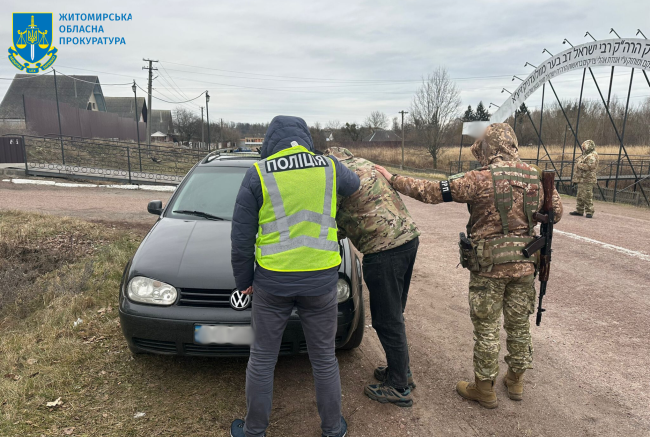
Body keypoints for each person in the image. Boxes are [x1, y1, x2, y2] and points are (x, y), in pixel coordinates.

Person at [375, 123, 563, 409]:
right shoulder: (536, 175)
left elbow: (431, 191)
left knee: (487, 327)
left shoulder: (479, 177)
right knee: (519, 325)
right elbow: (556, 213)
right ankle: (515, 381)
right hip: (525, 265)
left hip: (488, 267)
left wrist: (392, 177)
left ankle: (484, 389)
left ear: (488, 148)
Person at [230, 116, 360, 437]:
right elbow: (354, 185)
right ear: (306, 138)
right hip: (321, 282)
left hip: (272, 283)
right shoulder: (328, 166)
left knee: (262, 359)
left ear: (269, 141)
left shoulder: (257, 174)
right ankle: (332, 429)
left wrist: (243, 280)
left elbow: (241, 239)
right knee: (324, 359)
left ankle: (254, 431)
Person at [325, 146, 420, 407]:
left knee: (386, 320)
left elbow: (330, 223)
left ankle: (399, 386)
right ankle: (401, 371)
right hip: (408, 240)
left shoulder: (335, 178)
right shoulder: (366, 165)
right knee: (394, 315)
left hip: (384, 250)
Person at [570, 139, 599, 218]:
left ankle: (589, 211)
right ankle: (579, 210)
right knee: (580, 195)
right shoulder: (586, 155)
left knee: (587, 195)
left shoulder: (592, 155)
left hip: (587, 179)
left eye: (585, 147)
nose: (583, 149)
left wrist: (580, 165)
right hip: (582, 179)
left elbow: (590, 166)